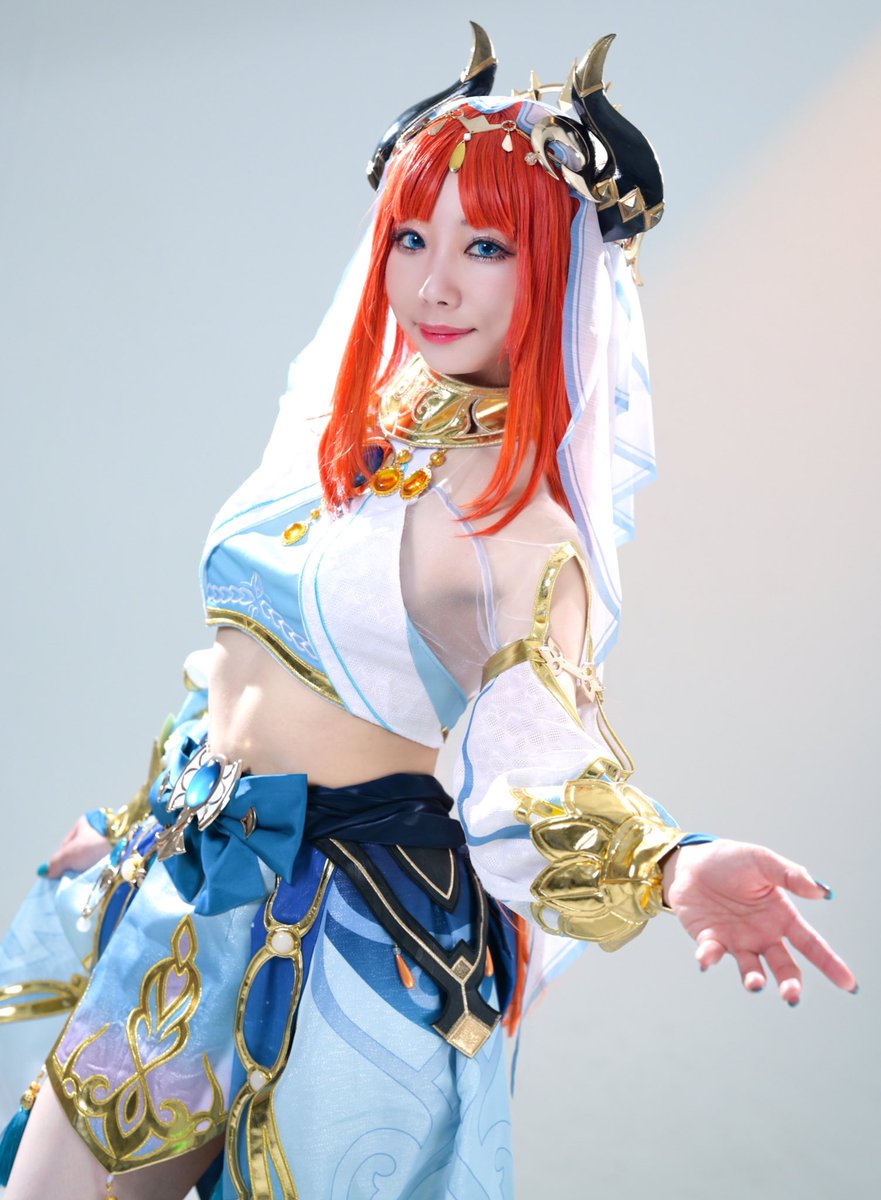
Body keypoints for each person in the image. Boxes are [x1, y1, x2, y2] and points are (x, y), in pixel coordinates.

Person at [0, 23, 856, 1200]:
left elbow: (540, 772)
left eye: (484, 245)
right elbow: (240, 667)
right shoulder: (335, 436)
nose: (432, 281)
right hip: (196, 882)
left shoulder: (519, 533)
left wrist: (671, 864)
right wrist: (146, 821)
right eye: (412, 237)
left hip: (358, 941)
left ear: (550, 268)